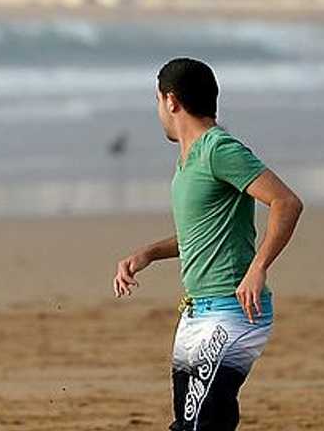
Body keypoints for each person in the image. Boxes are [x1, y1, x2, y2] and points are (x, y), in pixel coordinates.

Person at [113, 58, 304, 431]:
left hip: (234, 311)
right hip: (196, 313)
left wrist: (258, 268)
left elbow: (286, 202)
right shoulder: (188, 160)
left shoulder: (219, 149)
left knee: (201, 423)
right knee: (192, 421)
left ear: (170, 101)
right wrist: (148, 254)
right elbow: (200, 237)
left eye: (157, 102)